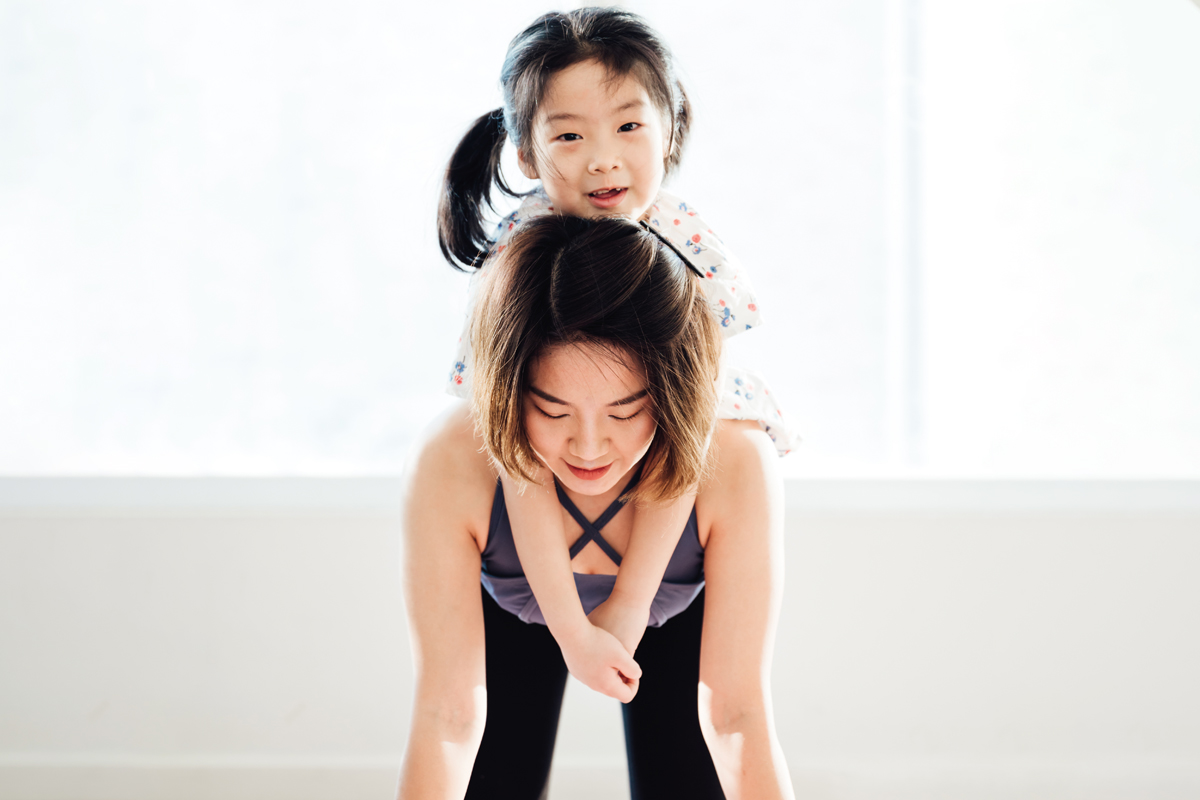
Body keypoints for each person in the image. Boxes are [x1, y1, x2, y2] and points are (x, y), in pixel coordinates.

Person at [436, 7, 800, 700]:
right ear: (526, 154)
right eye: (569, 135)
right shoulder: (518, 263)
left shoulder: (686, 248)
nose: (604, 159)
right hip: (533, 551)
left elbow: (686, 436)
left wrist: (630, 608)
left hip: (666, 532)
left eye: (629, 127)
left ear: (671, 128)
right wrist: (572, 632)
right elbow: (518, 458)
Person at [398, 215, 794, 799]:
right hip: (509, 621)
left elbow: (736, 715)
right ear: (508, 391)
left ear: (673, 392)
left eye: (624, 412)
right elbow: (446, 719)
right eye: (553, 412)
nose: (588, 448)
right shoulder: (453, 456)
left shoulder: (735, 458)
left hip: (675, 622)